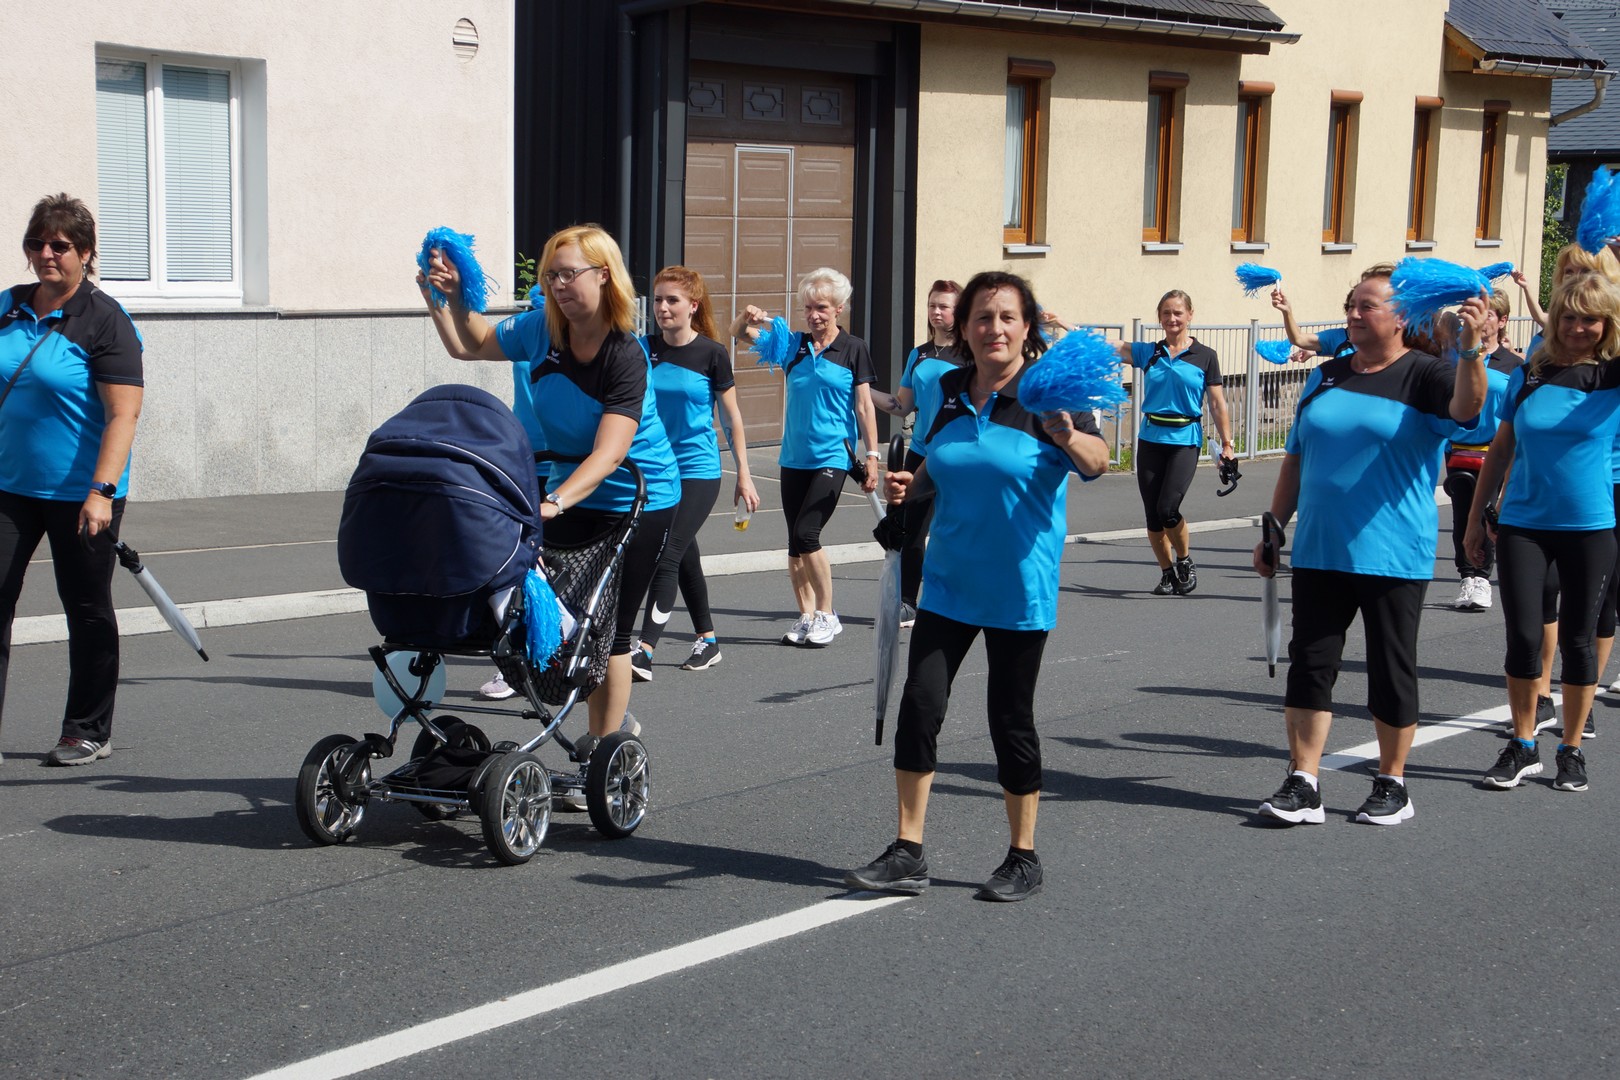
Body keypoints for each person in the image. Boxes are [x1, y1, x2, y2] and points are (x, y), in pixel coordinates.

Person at [843, 270, 1110, 902]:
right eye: (982, 317)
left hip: (1019, 587)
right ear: (963, 327)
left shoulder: (1050, 392)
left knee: (1009, 720)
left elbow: (1098, 464)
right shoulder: (948, 388)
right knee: (920, 707)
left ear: (1027, 326)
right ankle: (908, 851)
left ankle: (1023, 856)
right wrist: (911, 486)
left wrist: (1067, 434)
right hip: (949, 583)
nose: (994, 328)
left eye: (1007, 317)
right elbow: (939, 461)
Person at [420, 223, 680, 754]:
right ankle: (603, 716)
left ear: (603, 275)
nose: (558, 285)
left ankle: (603, 746)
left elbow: (609, 454)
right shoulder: (540, 329)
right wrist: (444, 296)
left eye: (568, 274)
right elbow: (471, 345)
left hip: (637, 496)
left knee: (610, 629)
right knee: (564, 620)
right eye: (550, 276)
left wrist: (555, 501)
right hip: (569, 493)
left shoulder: (625, 353)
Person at [1254, 265, 1486, 826]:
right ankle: (1304, 781)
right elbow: (1296, 458)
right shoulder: (1326, 375)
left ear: (1401, 317)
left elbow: (1467, 410)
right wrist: (1274, 526)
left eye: (1367, 306)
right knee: (1310, 666)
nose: (1353, 315)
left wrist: (1472, 350)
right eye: (1351, 305)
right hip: (1320, 549)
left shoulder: (1427, 374)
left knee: (1389, 668)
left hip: (1392, 553)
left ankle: (1392, 782)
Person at [0, 194, 143, 766]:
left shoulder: (105, 320)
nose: (46, 254)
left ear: (85, 253)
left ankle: (87, 729)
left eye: (60, 245)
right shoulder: (8, 307)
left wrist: (101, 491)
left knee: (85, 608)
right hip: (10, 487)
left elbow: (123, 414)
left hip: (82, 493)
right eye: (37, 243)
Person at [1467, 274, 1620, 793]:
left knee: (1578, 639)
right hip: (1523, 526)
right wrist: (1476, 519)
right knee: (1524, 638)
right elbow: (1501, 450)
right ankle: (1524, 744)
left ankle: (1571, 749)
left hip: (1589, 527)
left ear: (1608, 323)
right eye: (1568, 317)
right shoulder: (1530, 373)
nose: (1577, 327)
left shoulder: (1613, 374)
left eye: (1590, 318)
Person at [729, 268, 881, 647]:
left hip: (833, 456)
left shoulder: (853, 349)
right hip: (794, 457)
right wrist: (746, 317)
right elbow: (737, 333)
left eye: (822, 308)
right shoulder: (792, 345)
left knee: (806, 533)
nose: (814, 315)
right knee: (794, 545)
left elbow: (864, 407)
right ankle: (807, 616)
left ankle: (828, 614)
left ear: (839, 308)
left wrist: (872, 456)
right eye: (808, 308)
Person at [630, 266, 759, 679]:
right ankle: (708, 639)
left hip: (698, 470)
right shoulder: (642, 349)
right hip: (655, 469)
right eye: (658, 299)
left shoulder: (712, 354)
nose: (663, 307)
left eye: (673, 300)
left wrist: (744, 474)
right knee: (685, 556)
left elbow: (732, 419)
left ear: (693, 306)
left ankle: (644, 650)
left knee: (666, 553)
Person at [1120, 290, 1235, 595]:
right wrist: (1064, 325)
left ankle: (1184, 560)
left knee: (1168, 508)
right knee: (1153, 515)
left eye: (1178, 313)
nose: (1172, 319)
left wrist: (1227, 444)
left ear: (1190, 315)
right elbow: (1108, 346)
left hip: (1185, 440)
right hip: (1151, 438)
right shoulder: (1150, 352)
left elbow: (1217, 403)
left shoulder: (1205, 356)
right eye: (1166, 313)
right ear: (1159, 318)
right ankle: (1167, 573)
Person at [869, 278, 963, 627]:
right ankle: (908, 602)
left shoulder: (970, 354)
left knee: (955, 529)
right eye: (932, 305)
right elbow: (901, 405)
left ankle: (956, 599)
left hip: (958, 454)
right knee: (912, 530)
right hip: (920, 452)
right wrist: (861, 390)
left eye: (944, 306)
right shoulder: (919, 354)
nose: (936, 312)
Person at [1443, 288, 1520, 613]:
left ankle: (1483, 578)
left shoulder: (1514, 364)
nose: (1479, 319)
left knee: (1489, 511)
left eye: (1488, 313)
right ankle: (1467, 575)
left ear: (1502, 320)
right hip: (1459, 446)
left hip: (1496, 450)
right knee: (1462, 512)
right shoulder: (1456, 355)